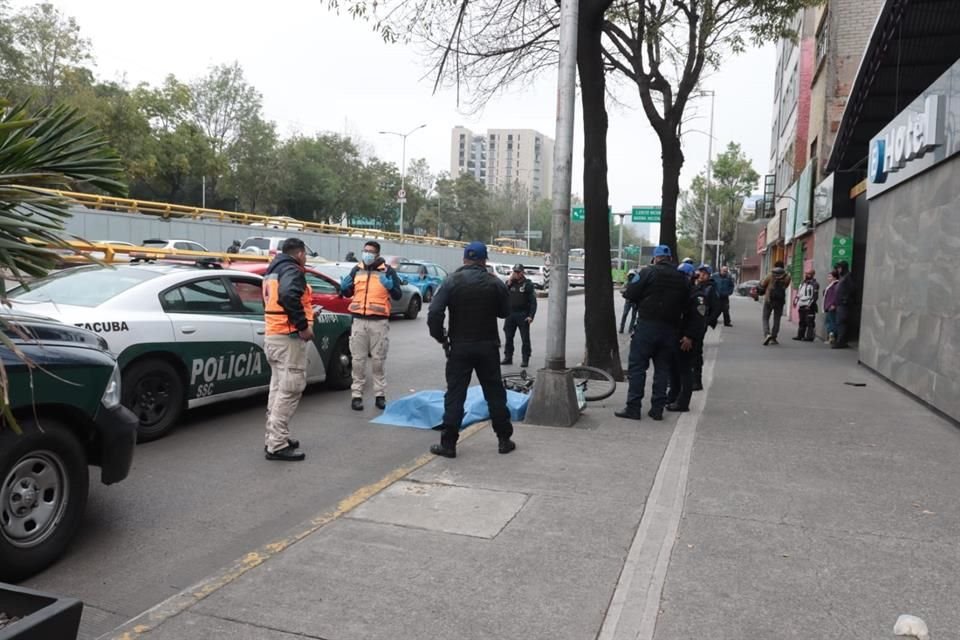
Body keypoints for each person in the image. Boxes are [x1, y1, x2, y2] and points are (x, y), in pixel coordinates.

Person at [427, 241, 515, 458]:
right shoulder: (495, 283)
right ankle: (504, 439)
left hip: (460, 347)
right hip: (488, 347)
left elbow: (434, 313)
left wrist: (442, 338)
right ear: (485, 260)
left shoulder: (451, 281)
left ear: (464, 258)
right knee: (494, 393)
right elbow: (505, 313)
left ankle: (448, 444)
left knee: (456, 394)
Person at [615, 245, 690, 421]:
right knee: (662, 369)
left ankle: (633, 407)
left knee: (638, 367)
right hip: (670, 329)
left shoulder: (648, 272)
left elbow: (631, 293)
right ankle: (657, 409)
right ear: (670, 258)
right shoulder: (681, 278)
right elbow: (687, 304)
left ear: (655, 258)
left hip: (647, 327)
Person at [262, 238, 314, 461]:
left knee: (277, 389)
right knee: (291, 388)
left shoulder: (272, 270)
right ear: (300, 253)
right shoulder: (291, 270)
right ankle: (277, 444)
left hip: (273, 335)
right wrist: (302, 326)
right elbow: (288, 296)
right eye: (305, 255)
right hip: (288, 337)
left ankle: (273, 436)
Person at [339, 241, 403, 411]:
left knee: (378, 361)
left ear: (377, 254)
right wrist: (343, 288)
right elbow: (347, 292)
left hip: (379, 323)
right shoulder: (356, 270)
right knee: (358, 361)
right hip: (359, 321)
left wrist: (390, 286)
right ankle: (356, 396)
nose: (367, 254)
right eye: (365, 251)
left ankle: (380, 395)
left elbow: (398, 294)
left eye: (370, 252)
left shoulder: (388, 271)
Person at [666, 262, 706, 412]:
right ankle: (673, 397)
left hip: (687, 340)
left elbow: (699, 320)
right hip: (676, 336)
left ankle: (683, 403)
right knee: (674, 369)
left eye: (683, 276)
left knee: (684, 371)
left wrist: (689, 337)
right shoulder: (680, 293)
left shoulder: (698, 296)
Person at [501, 264, 537, 367]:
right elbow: (503, 293)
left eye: (518, 272)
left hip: (522, 314)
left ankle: (525, 359)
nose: (516, 274)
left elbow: (533, 302)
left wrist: (531, 315)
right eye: (514, 272)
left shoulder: (528, 284)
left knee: (525, 339)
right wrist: (509, 282)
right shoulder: (511, 283)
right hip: (511, 314)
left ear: (522, 272)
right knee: (508, 337)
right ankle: (508, 357)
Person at [692, 265, 719, 390]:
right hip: (694, 322)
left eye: (704, 273)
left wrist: (707, 322)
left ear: (709, 275)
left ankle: (697, 381)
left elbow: (716, 308)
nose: (701, 275)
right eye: (700, 272)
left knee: (697, 352)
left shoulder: (710, 288)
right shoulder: (697, 286)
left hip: (701, 324)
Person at [758, 260, 791, 345]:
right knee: (777, 319)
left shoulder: (770, 275)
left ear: (775, 266)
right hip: (780, 300)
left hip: (769, 299)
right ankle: (774, 337)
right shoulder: (787, 276)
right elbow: (786, 286)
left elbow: (763, 284)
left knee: (765, 318)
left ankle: (767, 334)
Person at [832, 260, 855, 349]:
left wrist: (845, 299)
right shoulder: (843, 277)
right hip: (840, 304)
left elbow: (852, 289)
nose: (838, 270)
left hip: (843, 304)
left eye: (839, 268)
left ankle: (841, 342)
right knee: (839, 322)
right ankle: (840, 340)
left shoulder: (848, 277)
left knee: (841, 322)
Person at [793, 269, 820, 342]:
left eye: (808, 274)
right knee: (802, 321)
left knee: (809, 321)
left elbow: (815, 296)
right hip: (801, 304)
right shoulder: (802, 283)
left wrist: (809, 305)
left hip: (809, 306)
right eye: (806, 273)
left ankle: (810, 337)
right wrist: (795, 301)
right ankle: (800, 335)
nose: (806, 275)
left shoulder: (815, 284)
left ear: (812, 274)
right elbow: (799, 293)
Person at [619, 268, 640, 334]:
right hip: (628, 302)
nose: (631, 276)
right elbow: (621, 290)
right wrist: (627, 292)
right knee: (625, 314)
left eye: (632, 275)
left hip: (635, 302)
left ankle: (630, 329)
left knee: (633, 316)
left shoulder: (637, 283)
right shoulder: (627, 283)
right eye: (630, 275)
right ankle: (621, 328)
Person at [823, 271, 839, 344]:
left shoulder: (835, 285)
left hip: (831, 306)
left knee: (831, 323)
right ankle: (830, 337)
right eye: (828, 276)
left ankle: (832, 338)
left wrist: (833, 304)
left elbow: (835, 296)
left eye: (830, 277)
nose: (828, 278)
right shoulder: (830, 285)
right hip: (828, 306)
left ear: (834, 277)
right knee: (828, 322)